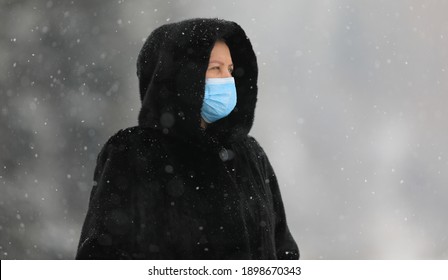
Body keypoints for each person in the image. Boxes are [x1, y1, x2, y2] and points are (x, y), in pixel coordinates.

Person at [76, 18, 299, 259]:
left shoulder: (250, 155)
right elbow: (102, 255)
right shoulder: (134, 153)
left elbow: (283, 250)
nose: (227, 79)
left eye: (231, 70)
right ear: (179, 74)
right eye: (215, 68)